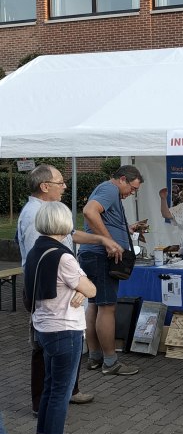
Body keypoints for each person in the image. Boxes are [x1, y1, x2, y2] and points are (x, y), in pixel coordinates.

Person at [16, 164, 122, 413]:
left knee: (69, 343)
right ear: (45, 187)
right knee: (45, 346)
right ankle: (42, 402)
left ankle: (69, 390)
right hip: (50, 293)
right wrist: (76, 288)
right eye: (60, 182)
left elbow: (70, 234)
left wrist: (101, 238)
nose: (65, 186)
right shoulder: (35, 216)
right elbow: (40, 261)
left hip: (63, 287)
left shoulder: (48, 211)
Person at [24, 202, 96, 434]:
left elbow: (79, 285)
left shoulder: (37, 250)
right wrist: (82, 288)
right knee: (60, 390)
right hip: (65, 328)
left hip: (44, 326)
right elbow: (91, 288)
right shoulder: (63, 256)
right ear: (64, 223)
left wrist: (80, 288)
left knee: (51, 386)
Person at [79, 165, 144, 376]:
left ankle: (95, 357)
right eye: (132, 188)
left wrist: (128, 228)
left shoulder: (109, 191)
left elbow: (101, 217)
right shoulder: (109, 189)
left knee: (95, 305)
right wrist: (108, 241)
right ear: (123, 179)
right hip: (100, 256)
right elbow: (89, 211)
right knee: (107, 307)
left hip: (93, 254)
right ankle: (110, 362)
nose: (131, 193)